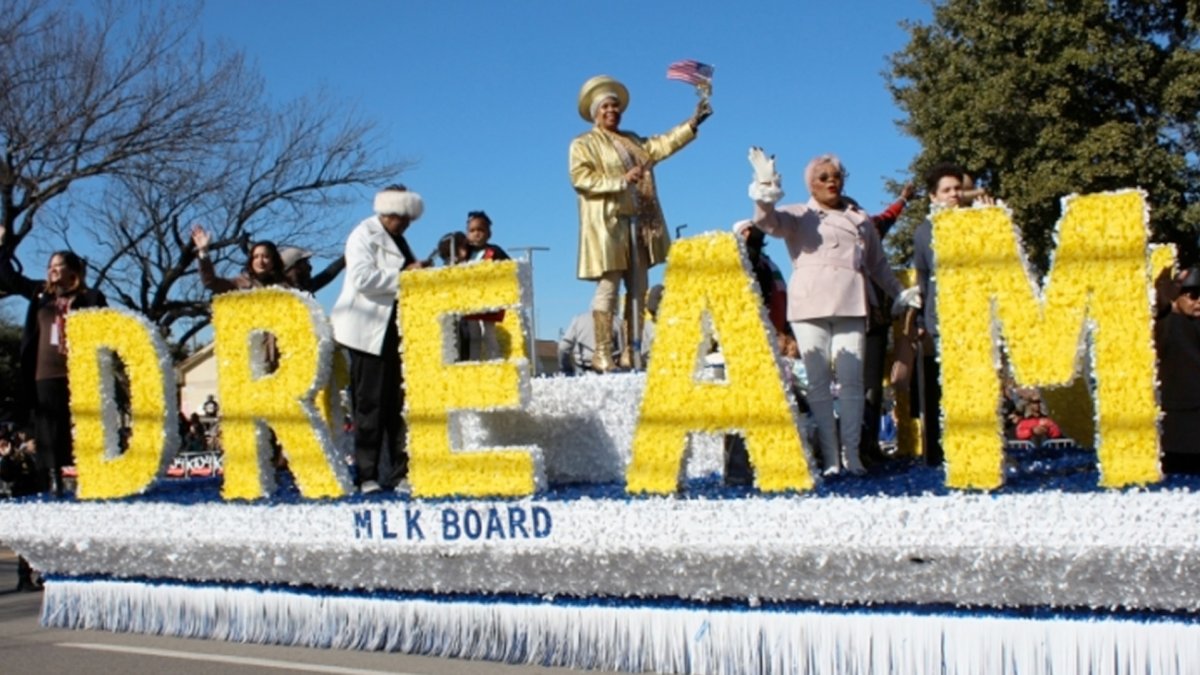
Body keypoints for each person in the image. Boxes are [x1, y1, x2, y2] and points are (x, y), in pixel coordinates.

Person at [747, 148, 920, 476]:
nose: (831, 182)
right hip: (810, 304)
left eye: (836, 177)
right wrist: (764, 186)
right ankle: (829, 458)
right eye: (822, 178)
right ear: (810, 186)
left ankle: (851, 454)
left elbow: (878, 265)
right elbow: (765, 221)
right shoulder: (799, 215)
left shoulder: (860, 219)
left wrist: (900, 293)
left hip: (852, 302)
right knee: (818, 381)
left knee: (853, 381)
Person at [569, 74, 711, 372]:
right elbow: (581, 179)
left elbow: (660, 146)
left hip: (640, 223)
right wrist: (621, 180)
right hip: (608, 222)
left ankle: (632, 352)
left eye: (616, 107)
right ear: (596, 113)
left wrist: (691, 124)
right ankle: (603, 353)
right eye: (606, 107)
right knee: (609, 285)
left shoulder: (633, 141)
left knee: (638, 287)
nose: (612, 111)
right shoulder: (584, 144)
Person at [330, 185, 427, 493]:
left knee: (398, 406)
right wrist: (406, 276)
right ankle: (367, 474)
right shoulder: (363, 235)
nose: (408, 224)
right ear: (389, 213)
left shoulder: (400, 240)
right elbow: (362, 278)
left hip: (396, 333)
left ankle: (399, 473)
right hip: (367, 333)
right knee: (369, 406)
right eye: (404, 217)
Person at [0, 227, 108, 496]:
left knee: (82, 420)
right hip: (45, 370)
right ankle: (53, 477)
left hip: (78, 370)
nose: (52, 270)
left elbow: (106, 328)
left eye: (58, 266)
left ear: (73, 271)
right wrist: (3, 245)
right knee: (48, 424)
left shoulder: (91, 298)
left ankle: (91, 472)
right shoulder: (41, 294)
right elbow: (8, 276)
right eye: (50, 266)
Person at [911, 162, 966, 467]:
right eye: (946, 190)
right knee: (940, 388)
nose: (954, 194)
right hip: (940, 319)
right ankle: (938, 451)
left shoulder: (977, 221)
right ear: (934, 196)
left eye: (957, 188)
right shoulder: (923, 233)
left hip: (973, 317)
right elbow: (921, 277)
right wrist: (919, 321)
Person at [1156, 266, 1200, 473]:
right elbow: (1155, 330)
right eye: (1193, 295)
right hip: (1179, 439)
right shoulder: (1168, 323)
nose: (1199, 301)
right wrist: (1163, 301)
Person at [462, 211, 510, 361]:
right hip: (470, 300)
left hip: (490, 299)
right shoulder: (464, 252)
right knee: (473, 335)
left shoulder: (494, 252)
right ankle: (474, 364)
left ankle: (494, 362)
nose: (476, 234)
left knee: (489, 333)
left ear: (489, 233)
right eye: (472, 231)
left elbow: (509, 268)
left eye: (480, 230)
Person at [191, 226, 288, 292]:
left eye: (266, 257)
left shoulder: (285, 287)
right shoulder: (240, 282)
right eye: (256, 257)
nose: (260, 261)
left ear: (274, 261)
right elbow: (211, 282)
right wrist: (204, 252)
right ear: (251, 260)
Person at [558, 311, 624, 376]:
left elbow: (564, 347)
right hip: (608, 370)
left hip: (583, 368)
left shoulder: (579, 320)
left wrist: (566, 369)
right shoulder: (617, 322)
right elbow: (623, 351)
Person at [279, 246, 346, 294]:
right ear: (296, 267)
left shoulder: (304, 287)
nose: (310, 267)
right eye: (305, 262)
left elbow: (328, 274)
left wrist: (348, 256)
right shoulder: (280, 294)